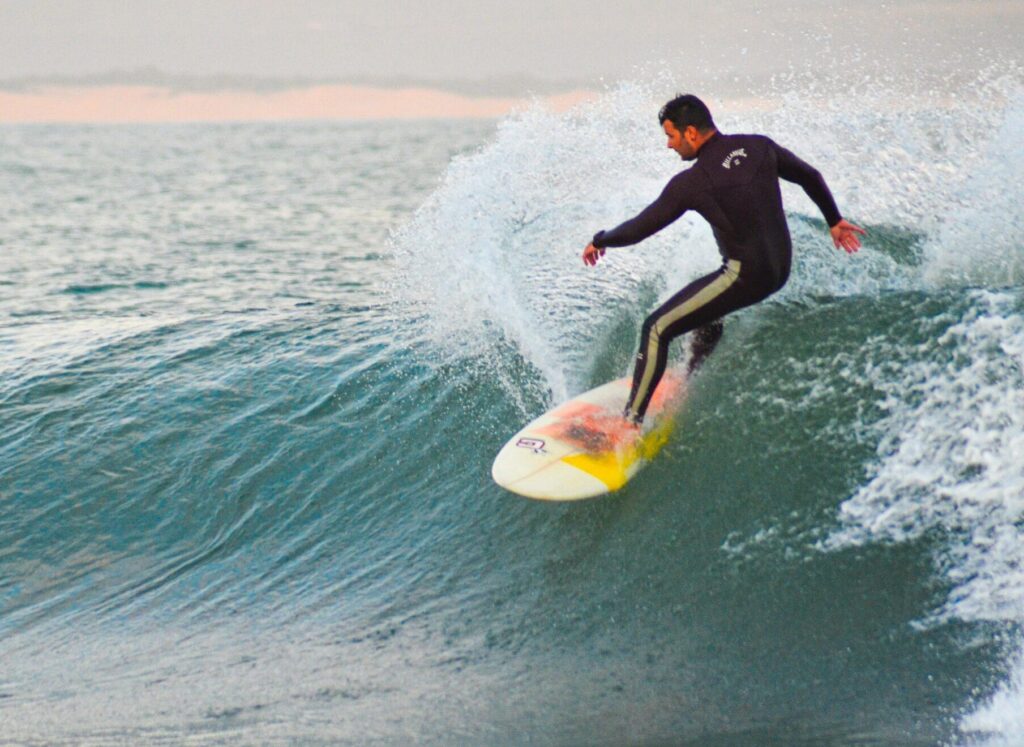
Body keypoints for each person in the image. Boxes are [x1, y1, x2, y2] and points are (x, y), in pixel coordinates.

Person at [583, 94, 865, 426]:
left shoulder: (692, 182)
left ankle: (629, 423)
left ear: (690, 133)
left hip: (746, 276)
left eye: (670, 136)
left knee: (656, 329)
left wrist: (600, 239)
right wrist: (834, 220)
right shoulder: (759, 147)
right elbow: (810, 175)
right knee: (709, 308)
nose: (669, 146)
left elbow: (639, 228)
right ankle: (689, 375)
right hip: (779, 270)